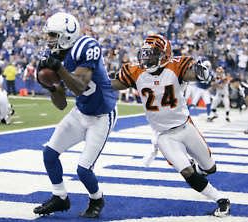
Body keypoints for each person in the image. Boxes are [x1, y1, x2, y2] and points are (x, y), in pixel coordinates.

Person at [111, 34, 230, 217]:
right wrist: (97, 82)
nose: (147, 58)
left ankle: (201, 171)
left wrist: (201, 72)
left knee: (210, 168)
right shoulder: (135, 71)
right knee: (187, 172)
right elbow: (114, 84)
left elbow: (193, 73)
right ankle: (221, 199)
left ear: (164, 54)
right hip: (163, 135)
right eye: (145, 53)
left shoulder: (175, 66)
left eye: (152, 54)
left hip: (185, 127)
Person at [33, 12, 117, 218]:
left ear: (67, 34)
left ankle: (97, 199)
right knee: (49, 154)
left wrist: (59, 69)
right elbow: (61, 105)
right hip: (80, 112)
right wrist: (52, 87)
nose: (49, 40)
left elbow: (79, 86)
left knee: (83, 170)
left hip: (102, 115)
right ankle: (60, 197)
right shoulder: (54, 56)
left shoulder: (87, 46)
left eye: (53, 35)